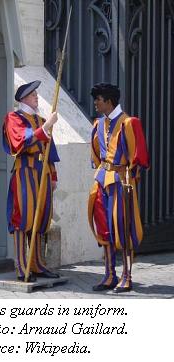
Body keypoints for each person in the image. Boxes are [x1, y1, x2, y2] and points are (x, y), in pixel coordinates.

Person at [88, 83, 149, 293]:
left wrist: (130, 179)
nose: (95, 103)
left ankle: (127, 276)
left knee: (124, 227)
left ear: (109, 101)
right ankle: (109, 275)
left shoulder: (129, 123)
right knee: (104, 228)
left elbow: (138, 157)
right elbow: (95, 153)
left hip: (121, 180)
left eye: (98, 99)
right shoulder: (97, 124)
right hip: (102, 180)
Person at [3, 80, 60, 282]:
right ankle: (20, 265)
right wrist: (46, 127)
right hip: (25, 171)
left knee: (41, 217)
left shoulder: (41, 119)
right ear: (24, 98)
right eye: (33, 94)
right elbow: (23, 141)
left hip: (41, 172)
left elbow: (49, 152)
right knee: (23, 218)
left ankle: (36, 264)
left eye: (36, 94)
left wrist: (53, 176)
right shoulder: (14, 118)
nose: (36, 96)